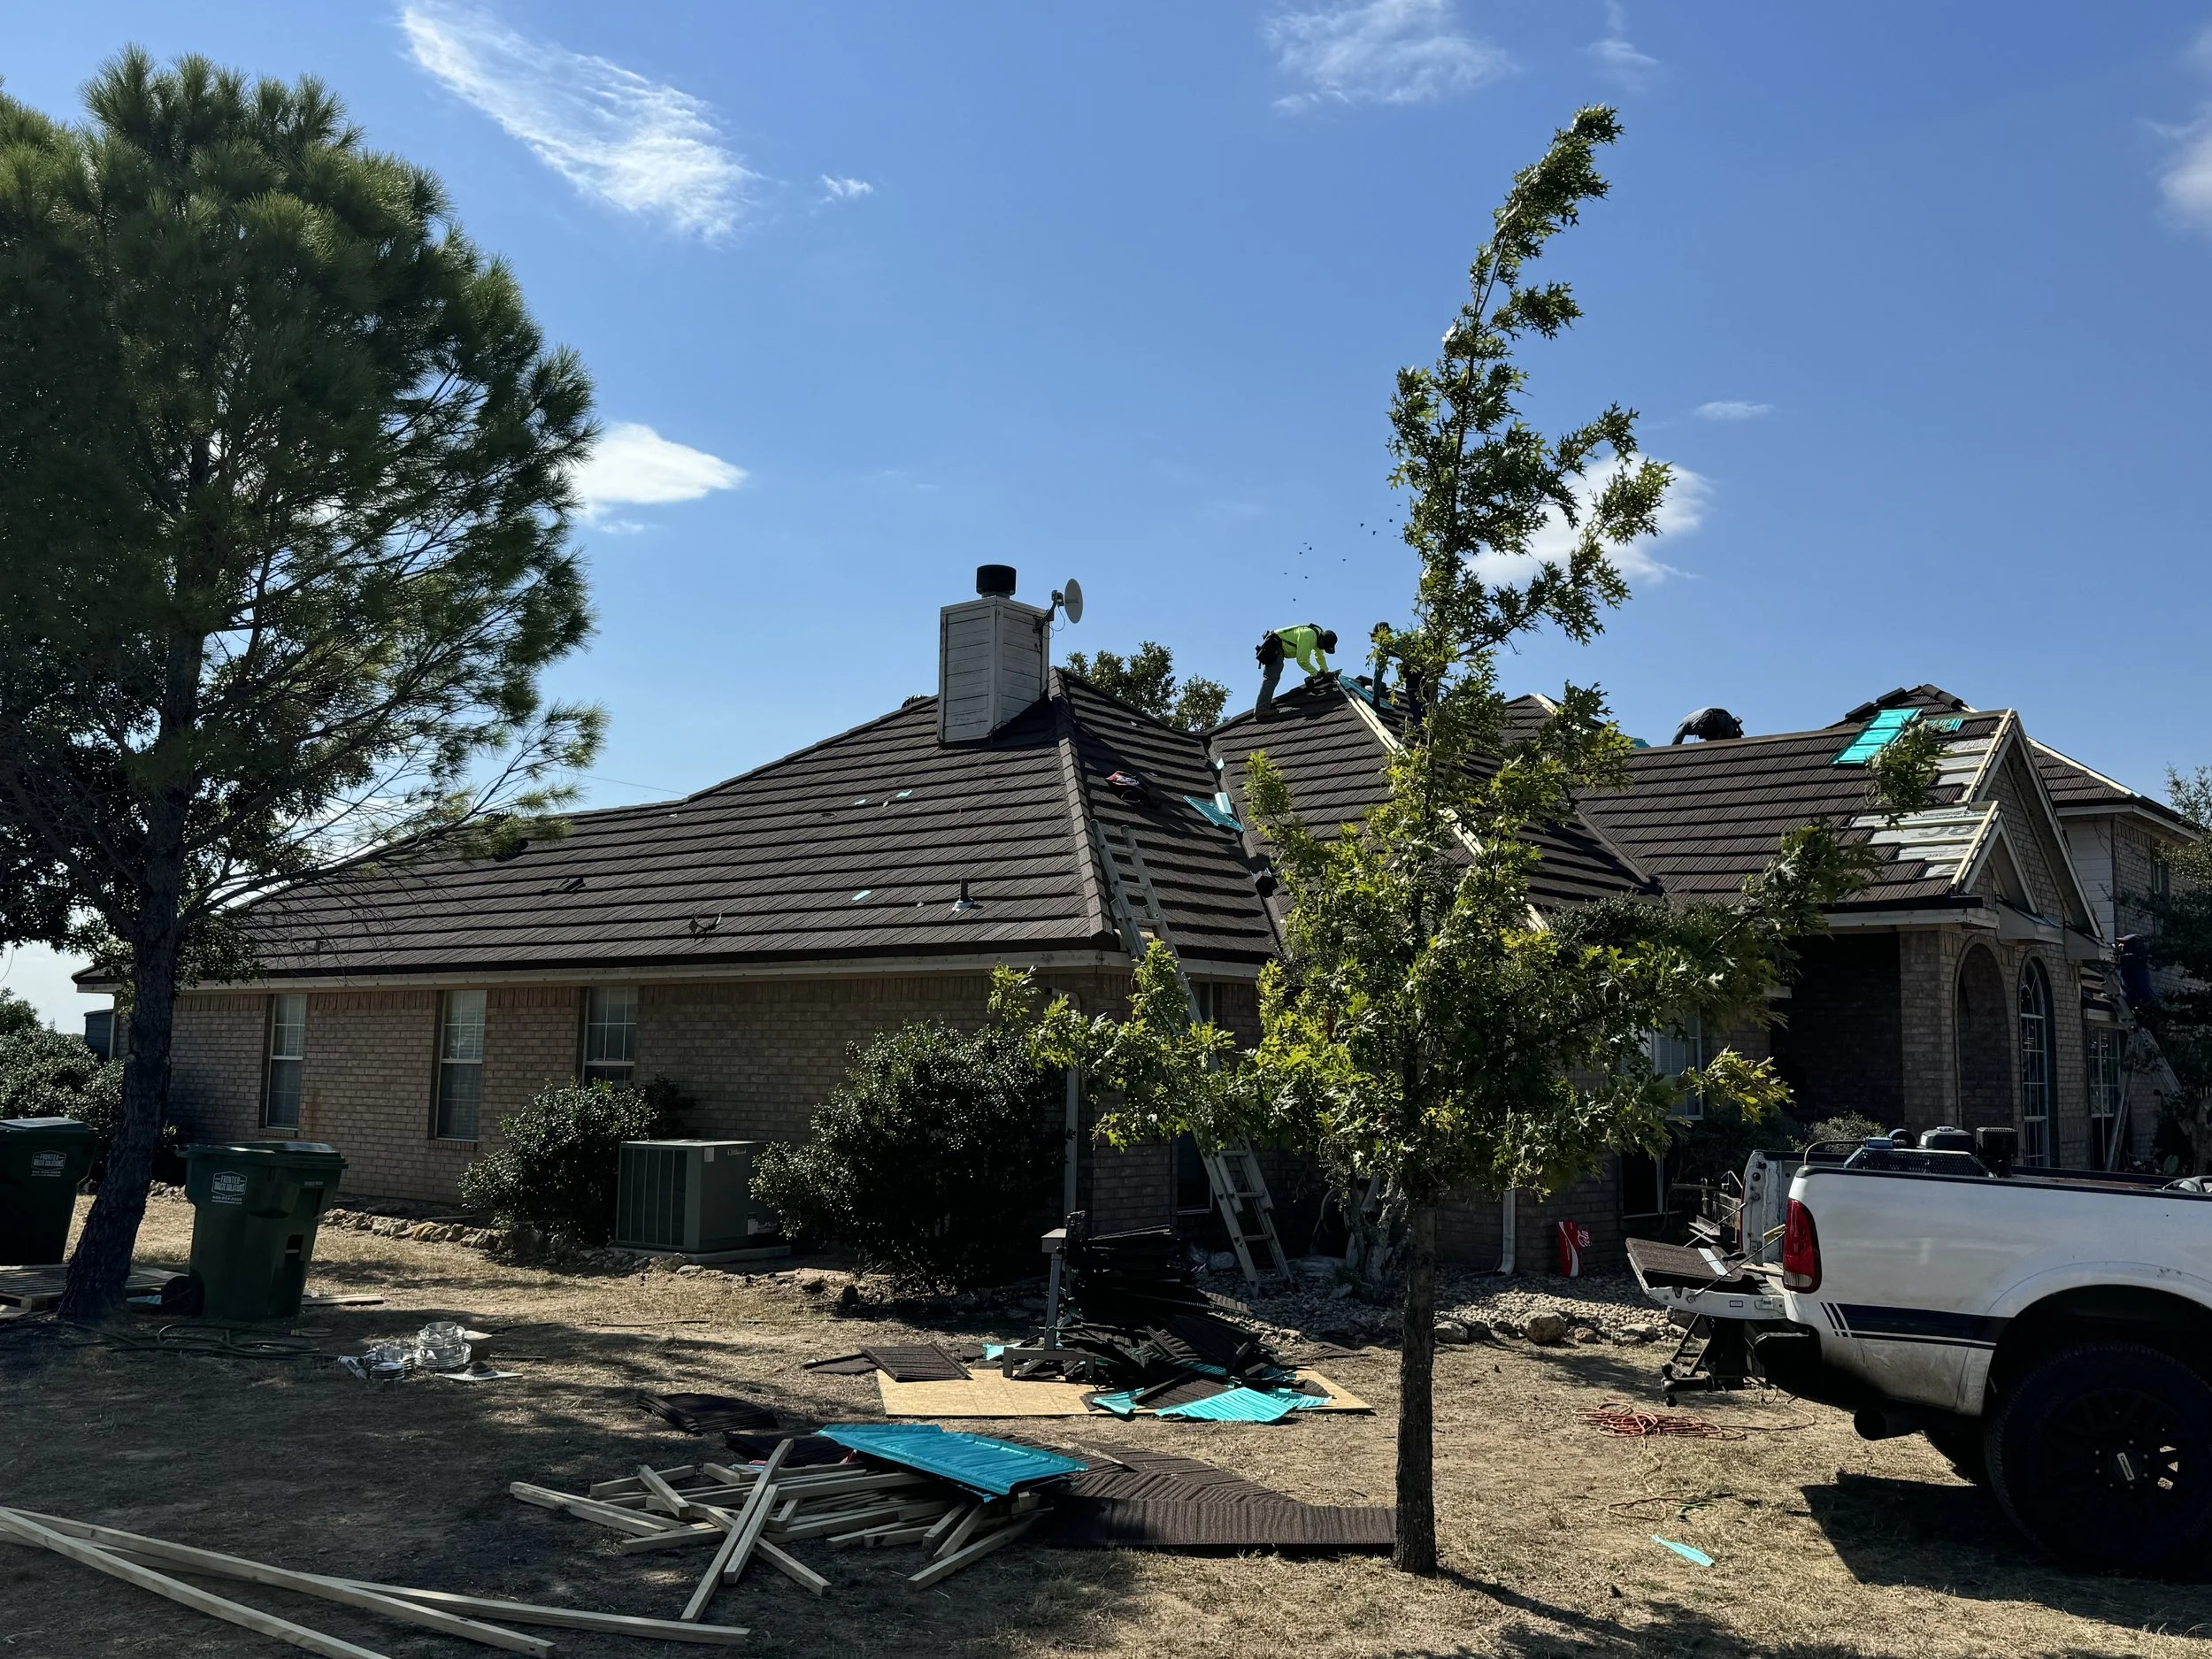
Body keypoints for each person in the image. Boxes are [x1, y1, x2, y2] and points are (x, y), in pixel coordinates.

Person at [1254, 623, 1337, 717]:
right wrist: (1315, 674)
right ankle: (1261, 710)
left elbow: (1320, 655)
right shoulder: (1309, 636)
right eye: (1322, 646)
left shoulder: (1317, 634)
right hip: (1274, 645)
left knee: (1274, 678)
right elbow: (1302, 661)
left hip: (1277, 644)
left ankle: (1264, 705)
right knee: (1272, 677)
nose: (1321, 648)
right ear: (1321, 640)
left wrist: (1325, 671)